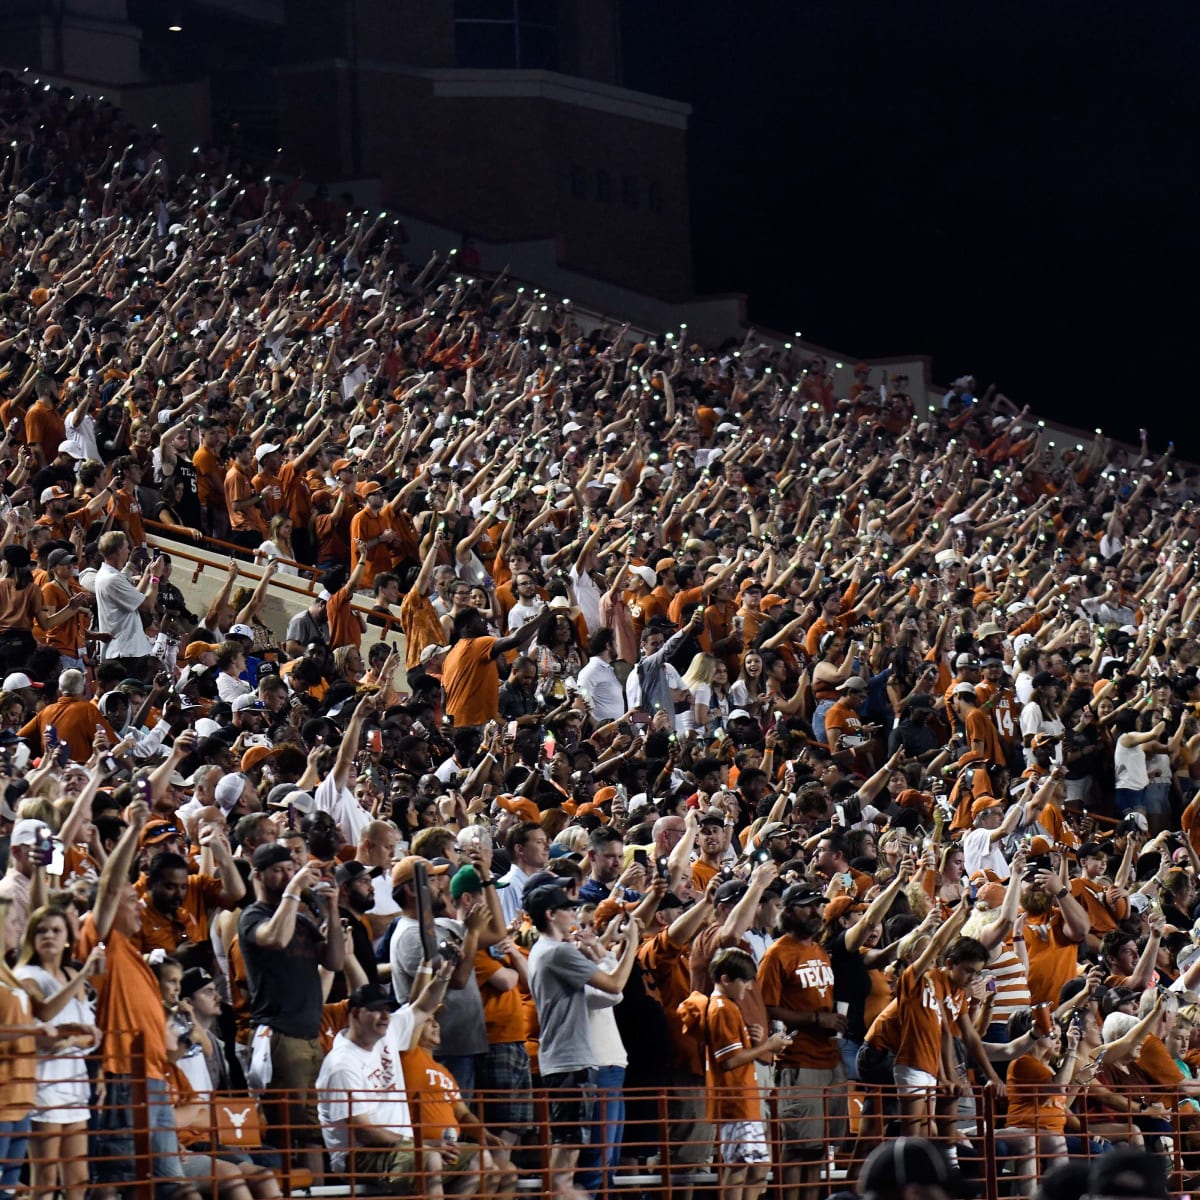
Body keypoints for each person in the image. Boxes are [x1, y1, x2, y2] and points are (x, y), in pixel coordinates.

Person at [525, 883, 642, 1200]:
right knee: (568, 1148)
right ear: (551, 915)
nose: (573, 914)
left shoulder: (542, 951)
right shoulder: (557, 952)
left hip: (562, 1058)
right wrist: (631, 944)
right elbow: (615, 984)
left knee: (570, 1144)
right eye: (567, 909)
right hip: (570, 1060)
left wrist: (598, 950)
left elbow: (607, 993)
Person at [237, 844, 345, 1180]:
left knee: (313, 1126)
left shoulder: (300, 917)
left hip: (311, 1034)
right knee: (299, 1130)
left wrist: (331, 910)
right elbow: (276, 939)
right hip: (280, 1034)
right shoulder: (252, 915)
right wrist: (296, 888)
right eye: (279, 870)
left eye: (290, 869)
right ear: (258, 875)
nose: (286, 876)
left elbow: (335, 961)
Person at [316, 973, 452, 1193]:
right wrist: (419, 1144)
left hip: (403, 1145)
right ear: (356, 1014)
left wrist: (444, 973)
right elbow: (365, 1132)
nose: (385, 1017)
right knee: (430, 1159)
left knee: (483, 1161)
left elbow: (424, 1007)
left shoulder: (387, 1033)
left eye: (387, 1010)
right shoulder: (341, 1064)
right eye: (376, 1010)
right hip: (361, 1155)